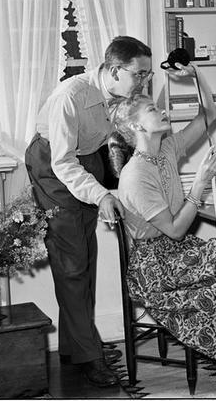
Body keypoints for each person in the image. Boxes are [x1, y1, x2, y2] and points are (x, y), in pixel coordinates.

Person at [107, 63, 216, 363]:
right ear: (137, 127)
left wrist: (196, 75)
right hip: (157, 268)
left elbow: (209, 114)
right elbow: (176, 231)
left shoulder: (166, 148)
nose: (162, 111)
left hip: (179, 253)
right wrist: (200, 183)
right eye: (153, 110)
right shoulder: (135, 175)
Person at [25, 36, 153, 387]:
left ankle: (75, 348)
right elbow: (63, 161)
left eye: (147, 75)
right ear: (114, 70)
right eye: (139, 74)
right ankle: (89, 356)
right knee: (71, 264)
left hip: (86, 159)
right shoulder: (71, 96)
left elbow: (127, 137)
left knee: (84, 259)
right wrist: (101, 196)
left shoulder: (123, 94)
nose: (144, 82)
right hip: (54, 165)